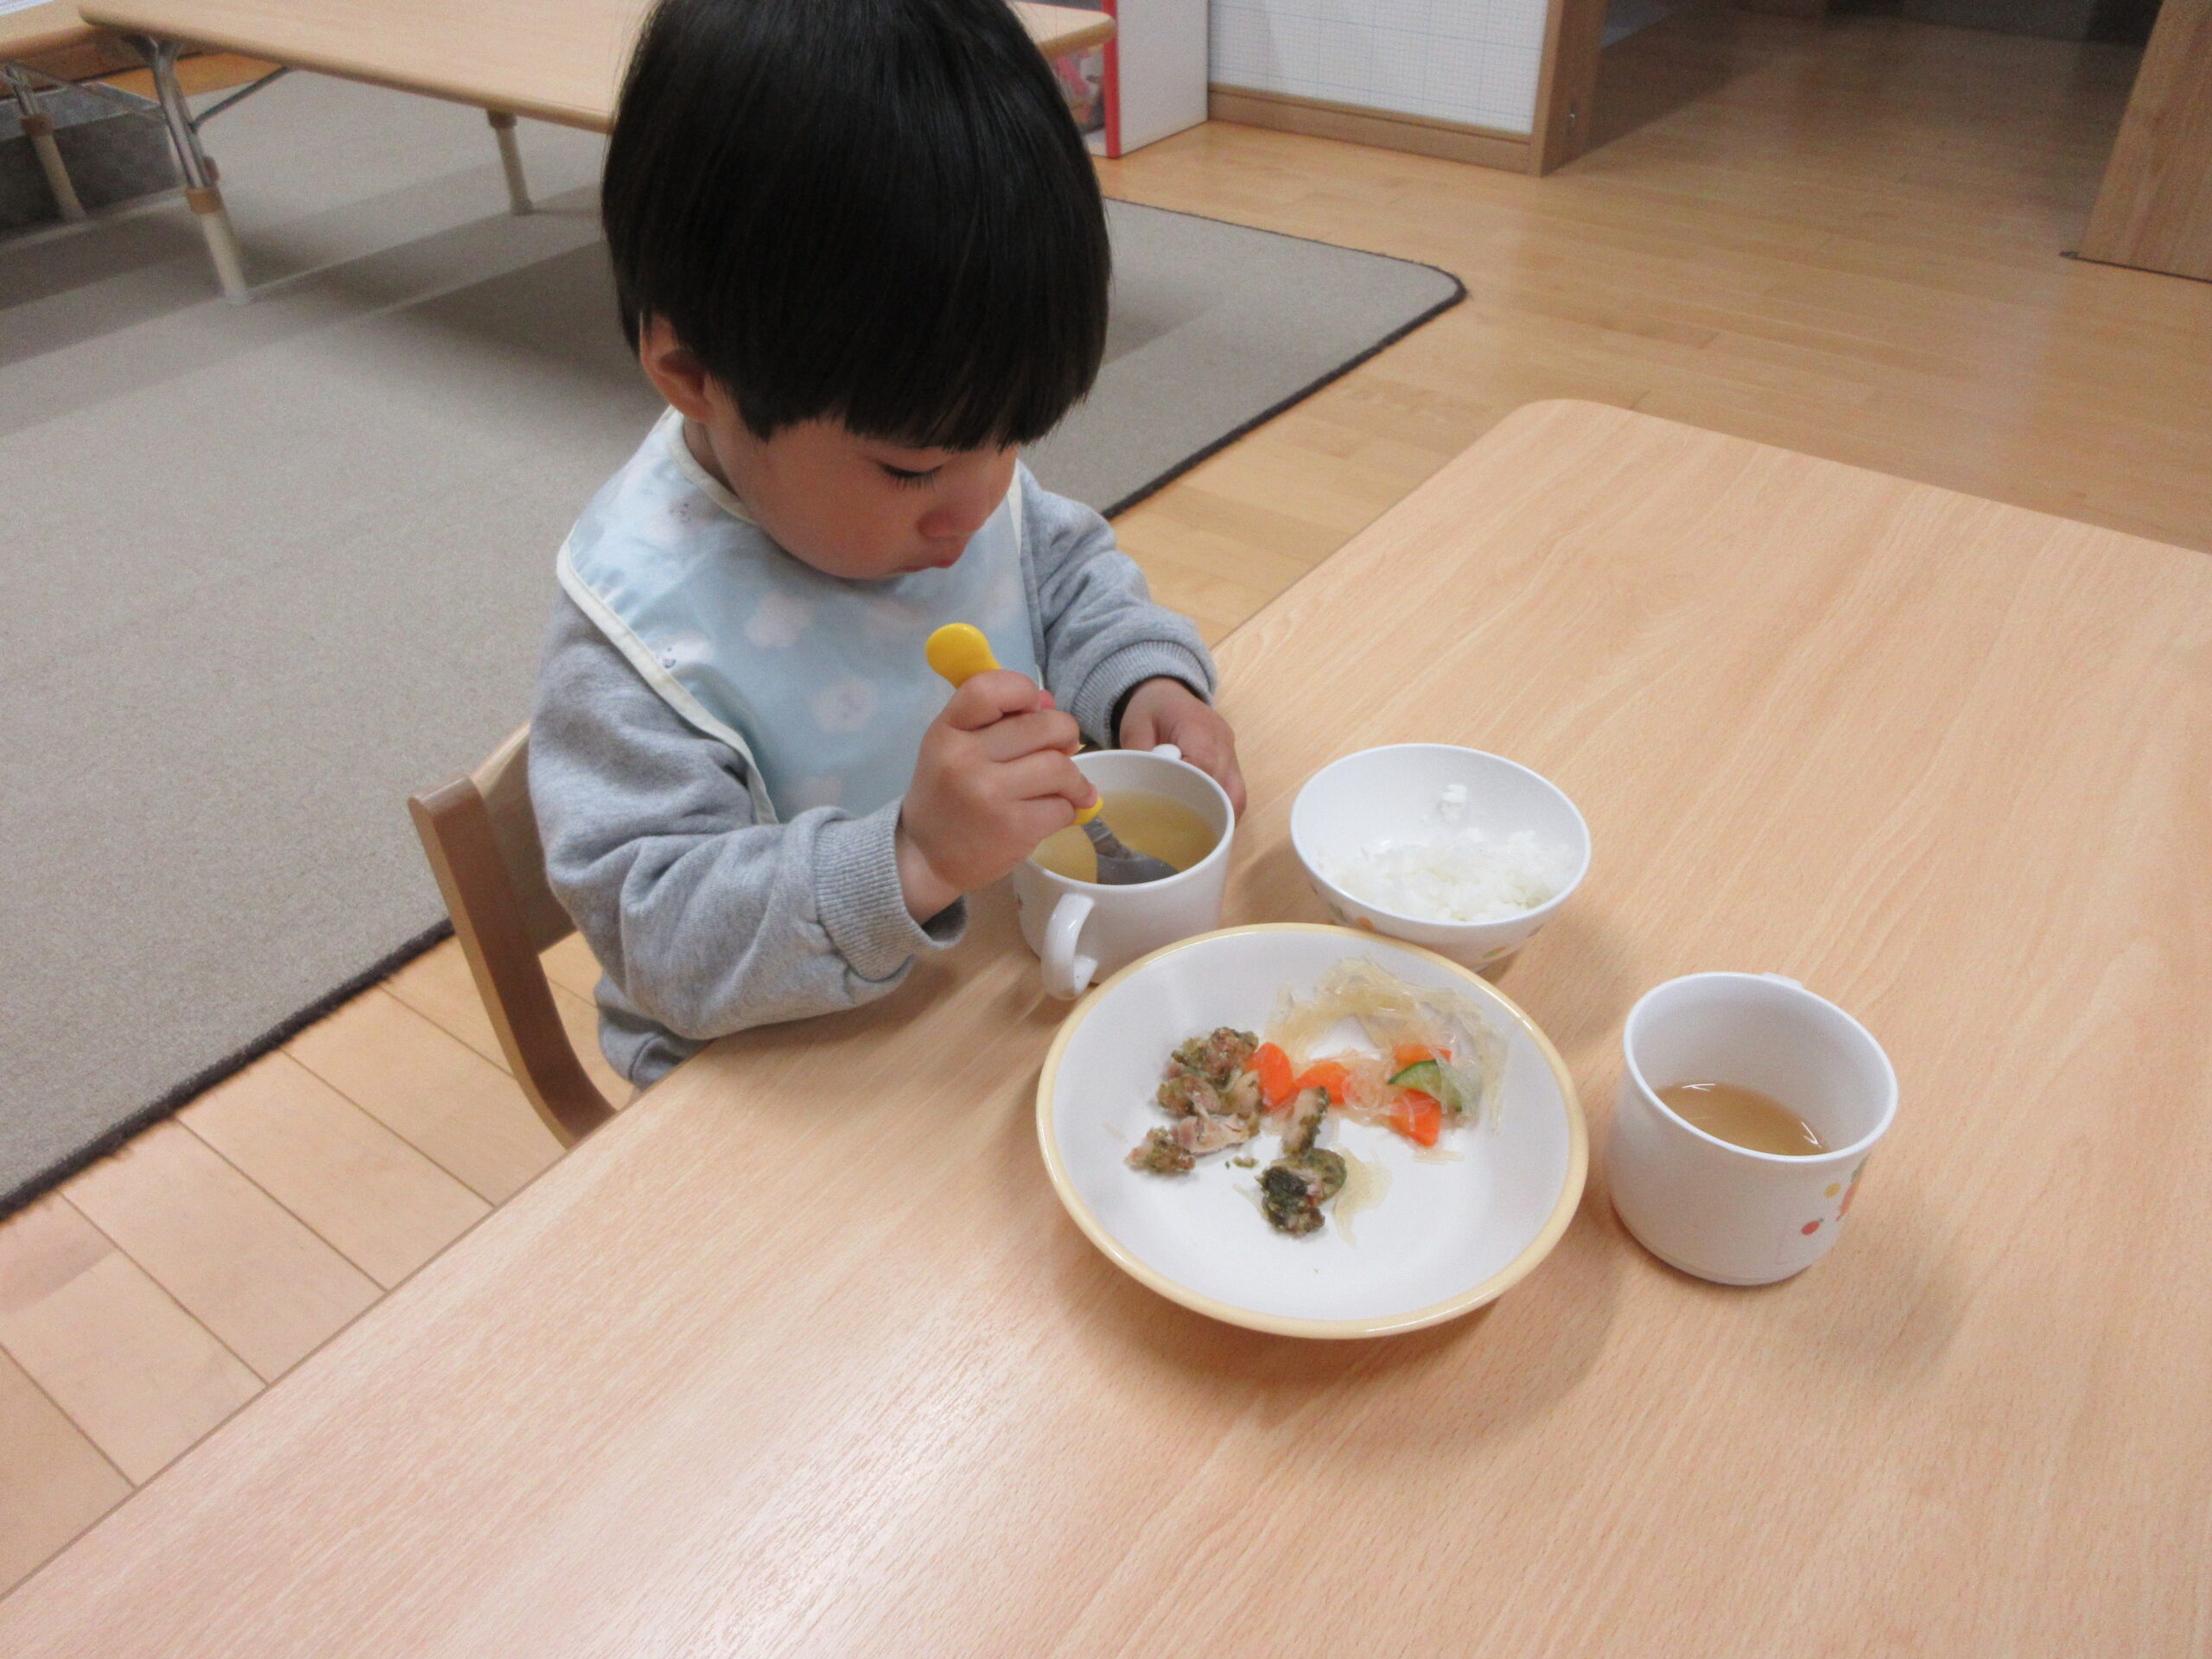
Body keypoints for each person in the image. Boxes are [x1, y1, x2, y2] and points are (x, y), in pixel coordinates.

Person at [529, 0, 1245, 1086]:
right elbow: (660, 943)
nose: (976, 504)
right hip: (770, 1081)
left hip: (990, 988)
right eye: (913, 470)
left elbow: (1062, 571)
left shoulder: (946, 462)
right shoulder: (642, 631)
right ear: (692, 374)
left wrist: (1142, 679)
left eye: (1011, 441)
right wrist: (912, 855)